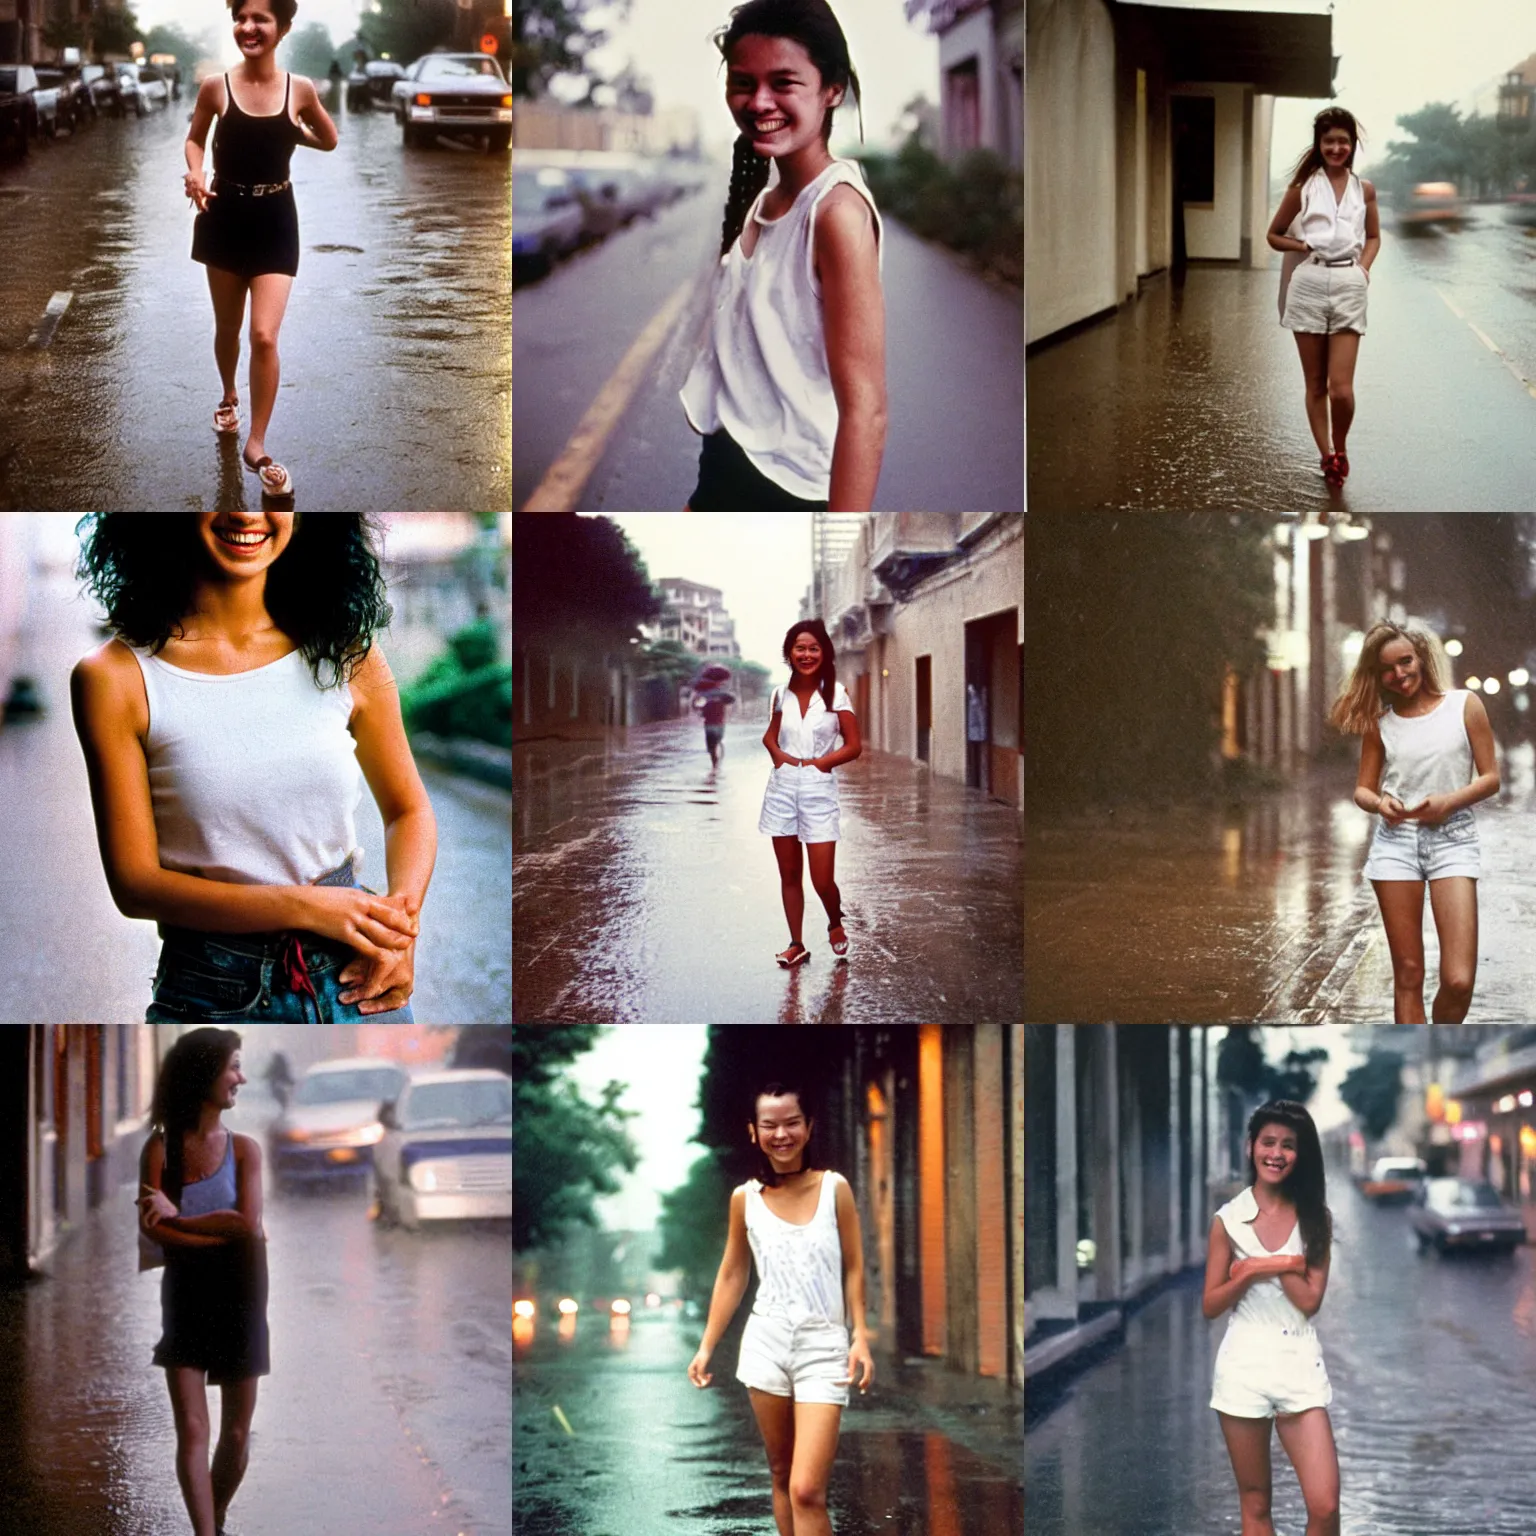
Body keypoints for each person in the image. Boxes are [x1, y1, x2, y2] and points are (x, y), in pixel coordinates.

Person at [70, 514, 436, 1022]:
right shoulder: (114, 678)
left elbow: (408, 810)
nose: (247, 513)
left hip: (360, 979)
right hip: (212, 990)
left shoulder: (347, 652)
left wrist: (401, 927)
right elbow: (135, 886)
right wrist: (310, 907)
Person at [681, 0, 886, 512]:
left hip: (787, 487)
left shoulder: (836, 214)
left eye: (784, 82)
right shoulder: (763, 198)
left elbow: (867, 410)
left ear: (832, 89)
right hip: (727, 458)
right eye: (744, 82)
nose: (758, 102)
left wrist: (839, 526)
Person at [687, 1081, 875, 1536]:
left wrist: (861, 1336)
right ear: (755, 1132)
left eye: (792, 1123)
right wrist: (706, 1346)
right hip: (765, 1345)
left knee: (807, 1488)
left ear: (809, 1127)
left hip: (823, 1347)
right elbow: (733, 1274)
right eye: (769, 1125)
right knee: (780, 1471)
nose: (781, 1134)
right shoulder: (745, 1199)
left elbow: (854, 1265)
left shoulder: (835, 1189)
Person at [183, 0, 339, 499]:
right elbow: (193, 141)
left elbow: (329, 139)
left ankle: (256, 443)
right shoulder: (216, 87)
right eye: (241, 18)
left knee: (265, 336)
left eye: (261, 19)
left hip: (276, 218)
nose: (248, 28)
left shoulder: (301, 89)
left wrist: (292, 132)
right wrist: (194, 172)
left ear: (283, 27)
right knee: (228, 329)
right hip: (223, 215)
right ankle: (229, 394)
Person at [1329, 620, 1498, 1023]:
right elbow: (1363, 790)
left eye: (1405, 661)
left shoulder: (1465, 705)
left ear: (1420, 657)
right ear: (1378, 675)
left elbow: (1491, 778)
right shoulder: (1380, 723)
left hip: (1453, 840)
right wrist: (1379, 804)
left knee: (1458, 980)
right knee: (1408, 974)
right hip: (1395, 844)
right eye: (1388, 668)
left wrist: (1447, 803)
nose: (1399, 674)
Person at [138, 1029, 267, 1536]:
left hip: (243, 1293)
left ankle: (217, 1515)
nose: (242, 1077)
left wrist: (181, 1218)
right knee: (192, 1427)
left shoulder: (246, 1151)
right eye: (233, 1066)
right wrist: (222, 1231)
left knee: (235, 1433)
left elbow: (248, 1225)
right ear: (204, 1072)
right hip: (186, 1296)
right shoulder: (159, 1149)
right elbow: (156, 1236)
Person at [1204, 1101, 1338, 1536]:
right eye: (1268, 1142)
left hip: (1299, 1361)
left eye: (1288, 1145)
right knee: (1256, 1504)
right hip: (1243, 1364)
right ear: (1251, 1147)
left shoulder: (1316, 1217)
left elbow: (1310, 1301)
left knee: (1324, 1504)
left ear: (1301, 1155)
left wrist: (1264, 1263)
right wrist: (1276, 1266)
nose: (1276, 1153)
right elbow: (1211, 1305)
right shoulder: (1228, 1220)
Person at [1266, 107, 1379, 490]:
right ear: (1319, 143)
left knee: (1341, 389)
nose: (1336, 147)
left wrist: (1363, 269)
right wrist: (1303, 244)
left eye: (1343, 141)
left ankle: (1341, 447)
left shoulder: (1365, 189)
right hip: (1309, 283)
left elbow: (1375, 237)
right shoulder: (1303, 186)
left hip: (1349, 285)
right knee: (1315, 384)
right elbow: (1274, 234)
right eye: (1329, 140)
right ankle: (1327, 456)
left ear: (1352, 144)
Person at [759, 619, 860, 966]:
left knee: (822, 879)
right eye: (800, 648)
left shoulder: (836, 693)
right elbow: (770, 736)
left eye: (813, 648)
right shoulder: (779, 694)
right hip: (782, 789)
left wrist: (822, 763)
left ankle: (834, 920)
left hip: (818, 791)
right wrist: (778, 756)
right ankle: (796, 943)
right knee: (789, 875)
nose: (806, 654)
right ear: (790, 653)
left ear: (824, 653)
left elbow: (854, 745)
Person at [694, 685, 736, 764]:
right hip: (718, 724)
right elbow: (732, 699)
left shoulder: (705, 696)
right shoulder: (722, 696)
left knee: (711, 745)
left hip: (711, 724)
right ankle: (715, 758)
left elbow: (698, 707)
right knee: (716, 741)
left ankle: (714, 761)